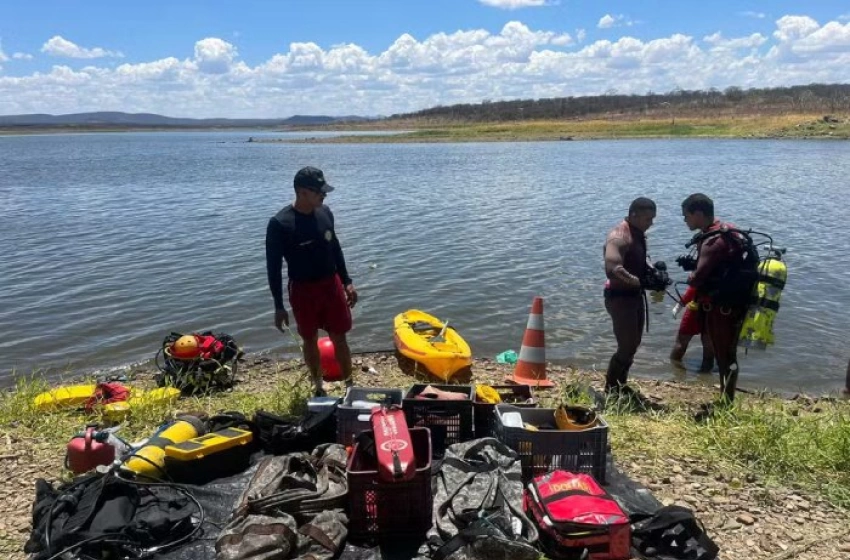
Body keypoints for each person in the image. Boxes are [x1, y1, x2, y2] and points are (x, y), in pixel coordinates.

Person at [265, 166, 358, 396]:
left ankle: (349, 385)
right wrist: (278, 306)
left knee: (340, 336)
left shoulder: (325, 212)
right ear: (302, 192)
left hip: (331, 285)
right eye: (319, 192)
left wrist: (347, 281)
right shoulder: (280, 224)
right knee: (310, 339)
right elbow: (273, 268)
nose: (324, 196)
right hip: (303, 290)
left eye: (324, 191)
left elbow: (335, 248)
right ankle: (318, 385)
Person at [680, 193, 748, 406]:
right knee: (727, 353)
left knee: (724, 356)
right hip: (736, 303)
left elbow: (698, 278)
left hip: (722, 308)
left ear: (698, 214)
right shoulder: (729, 231)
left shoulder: (712, 240)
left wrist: (691, 274)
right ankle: (726, 399)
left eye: (686, 216)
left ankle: (726, 402)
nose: (685, 221)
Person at [603, 197, 657, 394]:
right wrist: (639, 281)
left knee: (634, 344)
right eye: (647, 219)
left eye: (652, 219)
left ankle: (621, 385)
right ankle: (610, 390)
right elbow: (613, 268)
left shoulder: (638, 233)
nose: (650, 223)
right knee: (626, 346)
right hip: (619, 297)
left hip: (634, 296)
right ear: (633, 215)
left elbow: (640, 257)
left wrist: (652, 272)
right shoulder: (619, 236)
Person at [670, 284, 715, 372]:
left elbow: (693, 286)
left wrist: (679, 306)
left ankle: (675, 372)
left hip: (699, 311)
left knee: (682, 343)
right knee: (709, 347)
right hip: (711, 312)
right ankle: (705, 375)